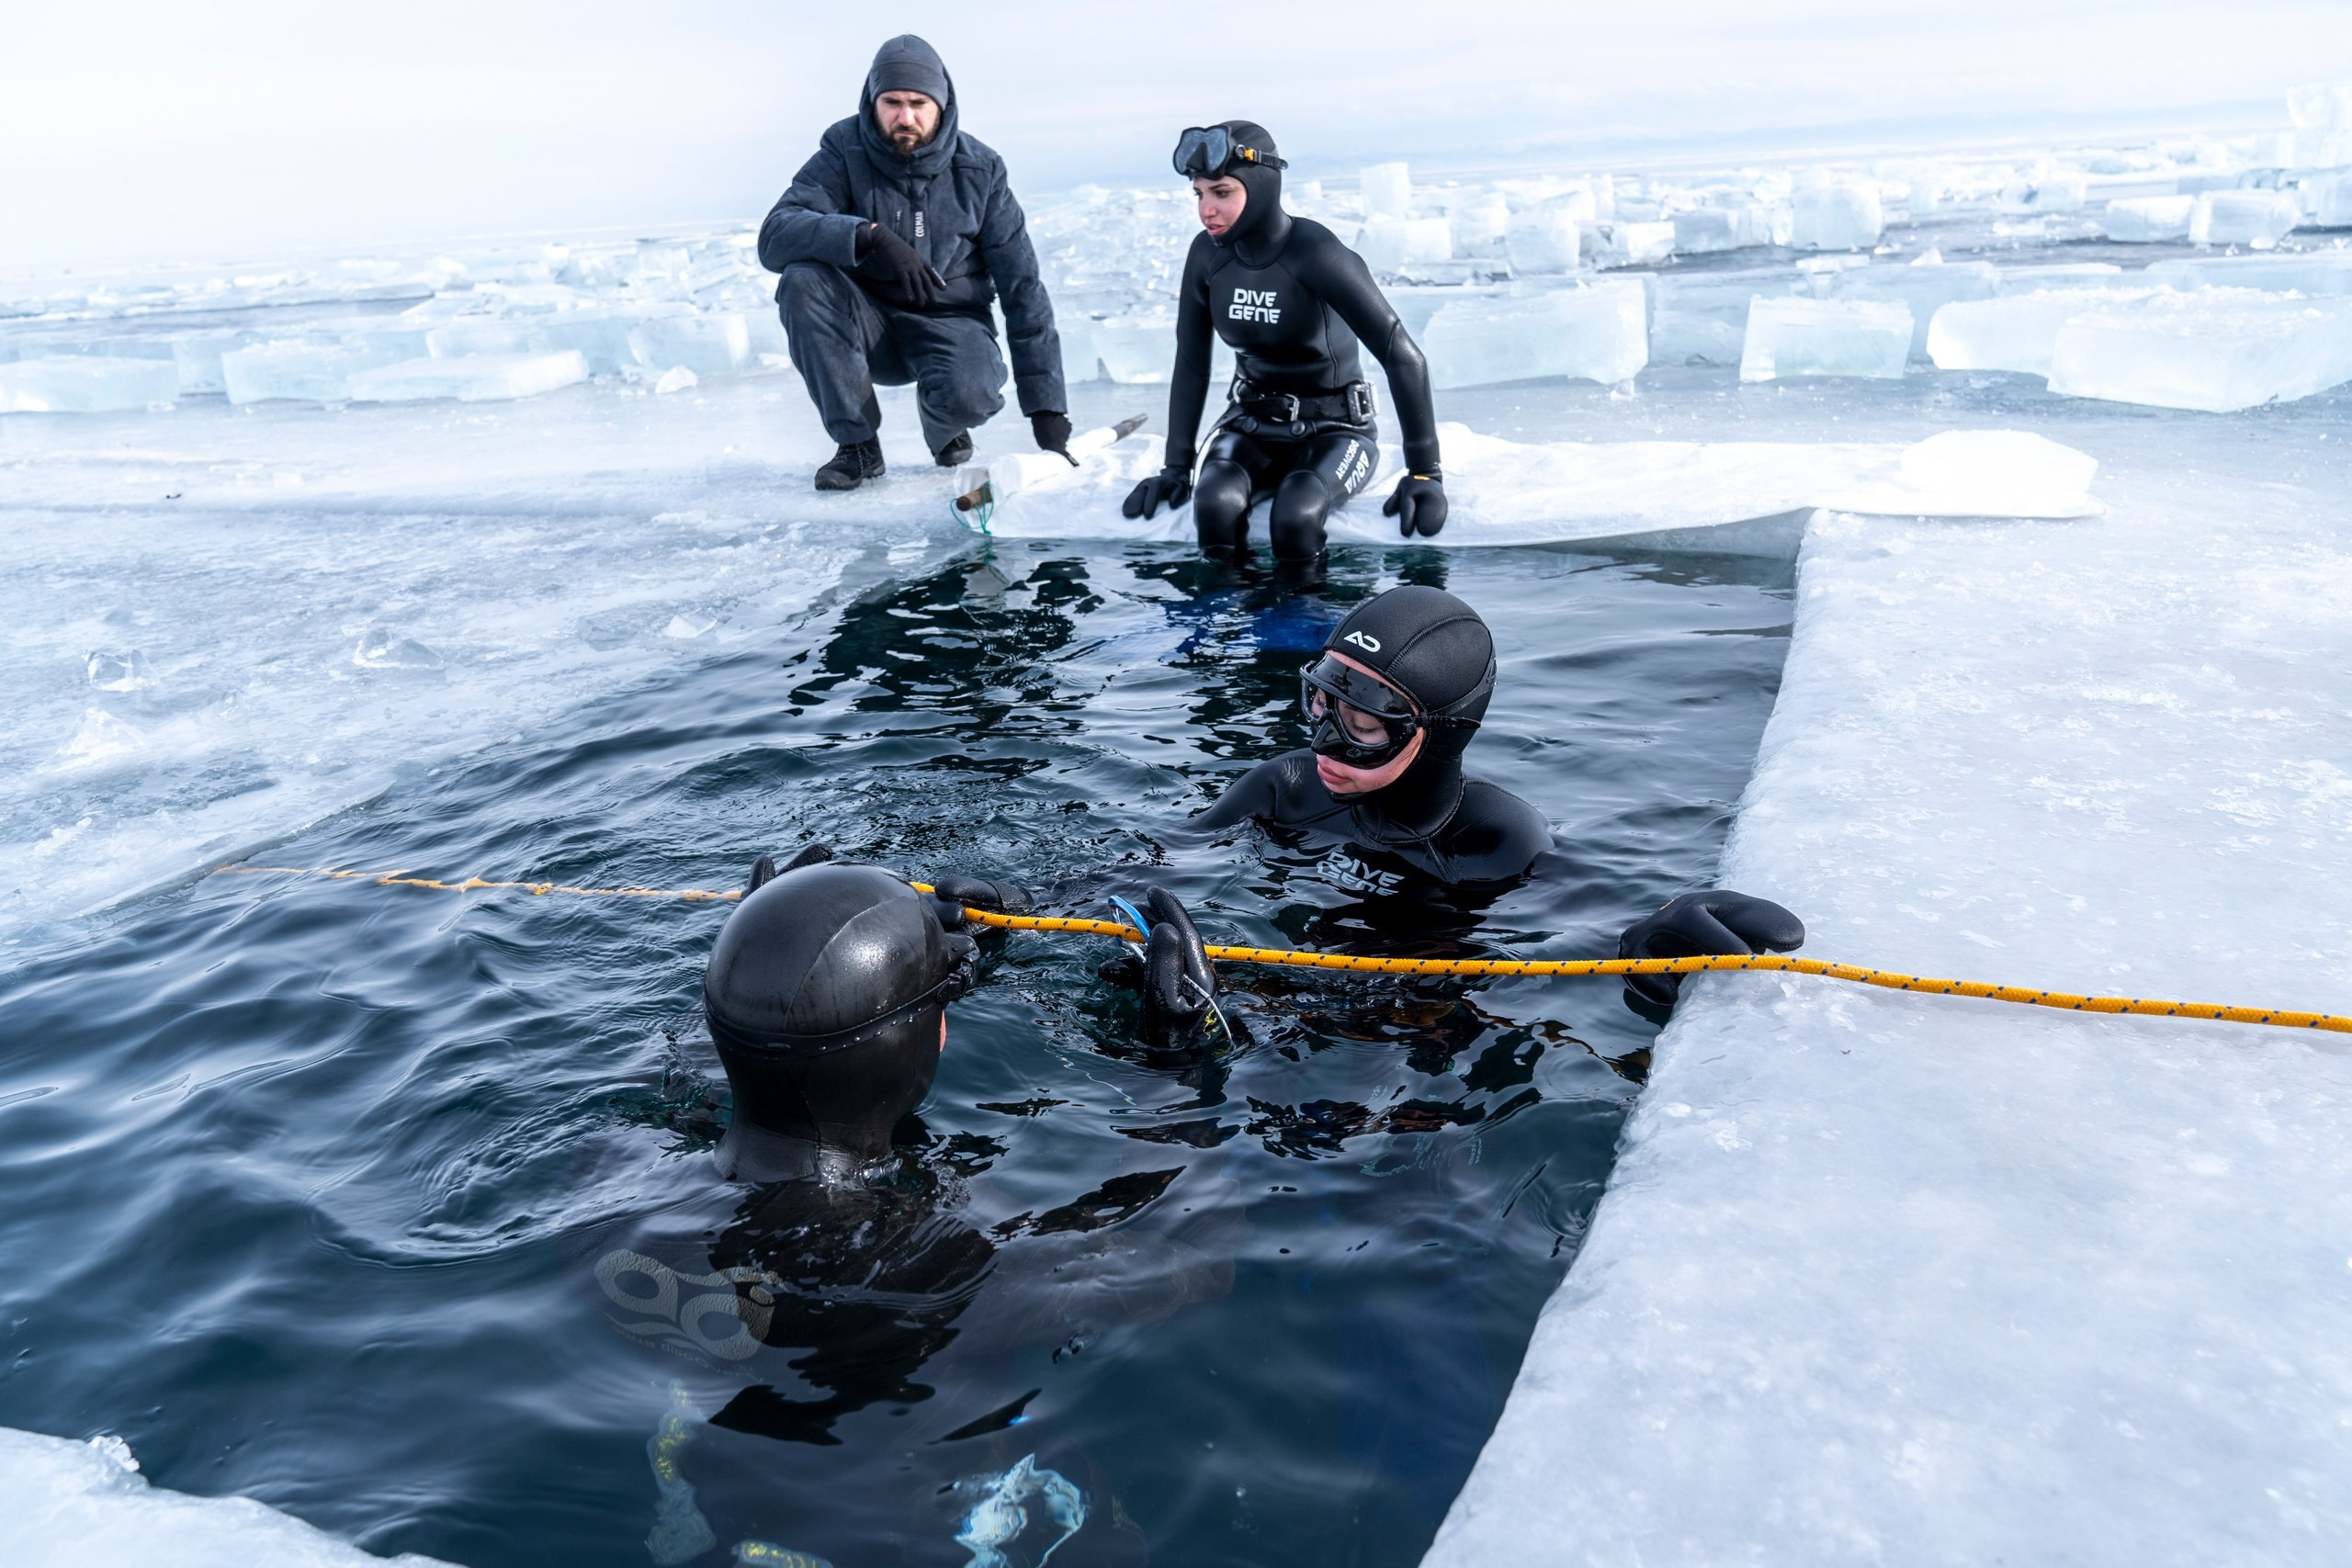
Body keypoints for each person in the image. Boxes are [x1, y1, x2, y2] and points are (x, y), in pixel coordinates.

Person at [702, 850, 1219, 1181]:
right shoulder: (943, 1265)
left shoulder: (630, 1189)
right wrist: (1177, 1074)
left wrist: (761, 949)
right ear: (938, 1033)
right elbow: (1183, 1256)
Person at [1122, 121, 1449, 561]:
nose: (1206, 210)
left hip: (1337, 432)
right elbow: (1192, 364)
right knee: (1214, 504)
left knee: (1294, 516)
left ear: (1260, 186)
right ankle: (1223, 627)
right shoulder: (1206, 256)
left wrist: (1425, 473)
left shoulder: (1315, 252)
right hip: (1252, 427)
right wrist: (1176, 468)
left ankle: (1302, 627)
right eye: (1199, 194)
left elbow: (1402, 355)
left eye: (1222, 192)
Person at [757, 35, 1072, 492]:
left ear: (941, 104)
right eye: (892, 102)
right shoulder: (843, 151)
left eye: (918, 103)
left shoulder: (981, 170)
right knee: (802, 280)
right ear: (872, 101)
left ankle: (943, 425)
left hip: (951, 322)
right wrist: (866, 235)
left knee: (974, 396)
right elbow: (775, 235)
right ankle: (858, 446)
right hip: (868, 326)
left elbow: (1023, 288)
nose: (905, 117)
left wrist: (1047, 409)